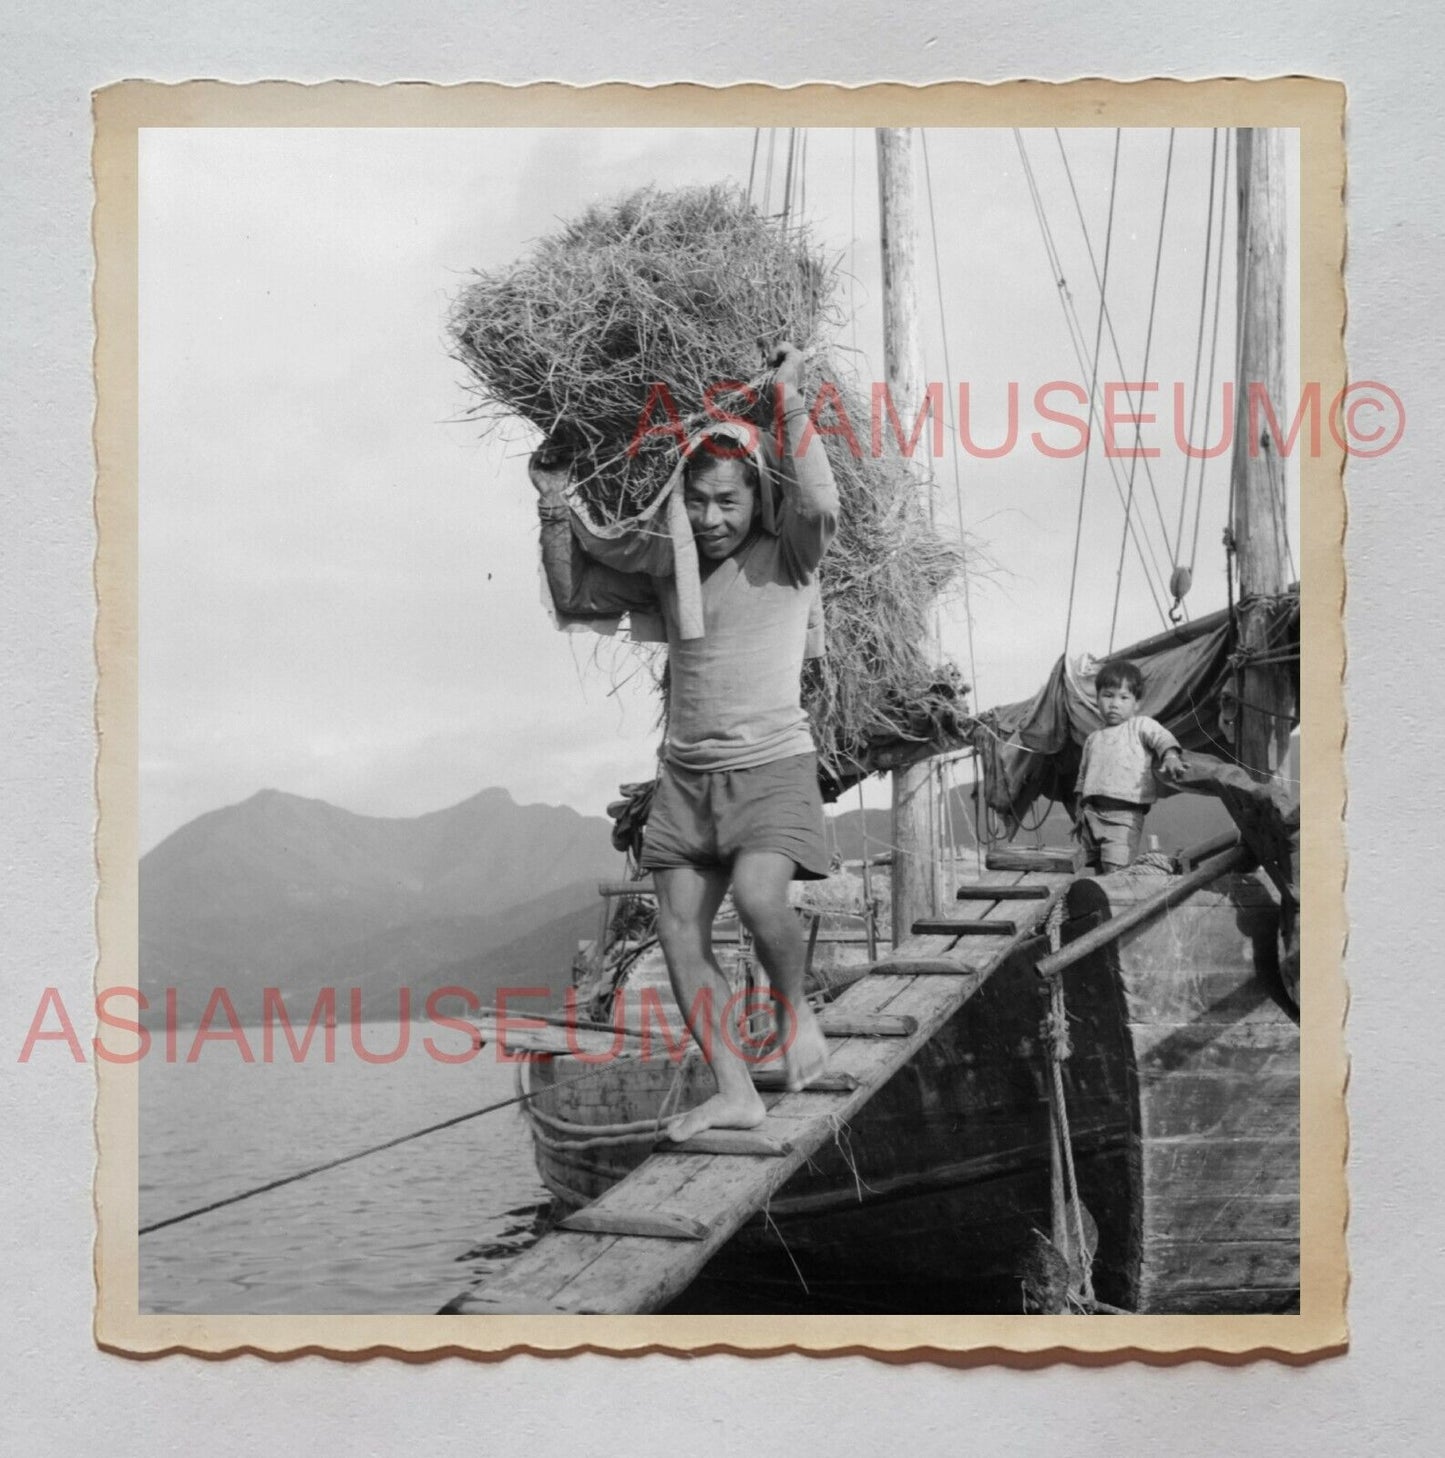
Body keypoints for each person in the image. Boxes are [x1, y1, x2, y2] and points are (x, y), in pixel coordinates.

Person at [530, 342, 839, 1141]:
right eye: (697, 501)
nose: (710, 519)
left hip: (770, 764)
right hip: (687, 778)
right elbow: (572, 589)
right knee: (676, 930)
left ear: (756, 495)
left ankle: (795, 1014)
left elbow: (821, 503)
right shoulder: (670, 570)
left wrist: (789, 401)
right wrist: (552, 501)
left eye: (727, 502)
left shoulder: (788, 556)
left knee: (760, 896)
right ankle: (734, 1089)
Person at [1073, 659, 1185, 872]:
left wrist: (1171, 756)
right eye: (1107, 696)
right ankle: (1099, 903)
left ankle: (1116, 902)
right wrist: (1080, 813)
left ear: (1136, 704)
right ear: (1097, 699)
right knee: (1095, 868)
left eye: (1123, 697)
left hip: (1125, 815)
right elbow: (1082, 777)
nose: (1114, 703)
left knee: (1115, 868)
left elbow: (1161, 738)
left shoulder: (1141, 725)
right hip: (1091, 814)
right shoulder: (1093, 739)